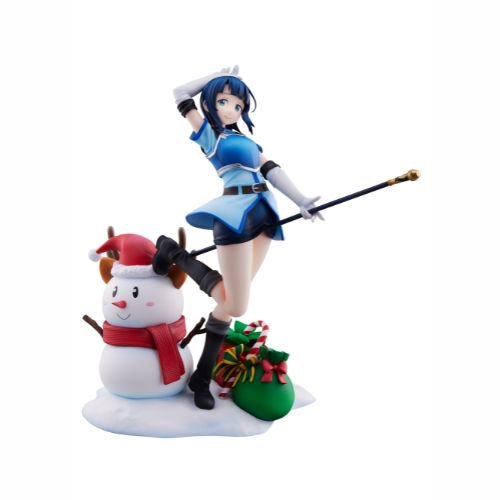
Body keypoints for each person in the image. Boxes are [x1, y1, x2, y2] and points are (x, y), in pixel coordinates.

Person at [153, 66, 322, 409]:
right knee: (236, 305)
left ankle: (202, 378)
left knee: (227, 304)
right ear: (210, 103)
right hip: (233, 213)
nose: (232, 110)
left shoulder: (248, 141)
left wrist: (301, 200)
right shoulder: (209, 136)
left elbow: (272, 169)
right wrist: (216, 75)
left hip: (264, 211)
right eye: (224, 101)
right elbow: (179, 93)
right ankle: (176, 255)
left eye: (239, 105)